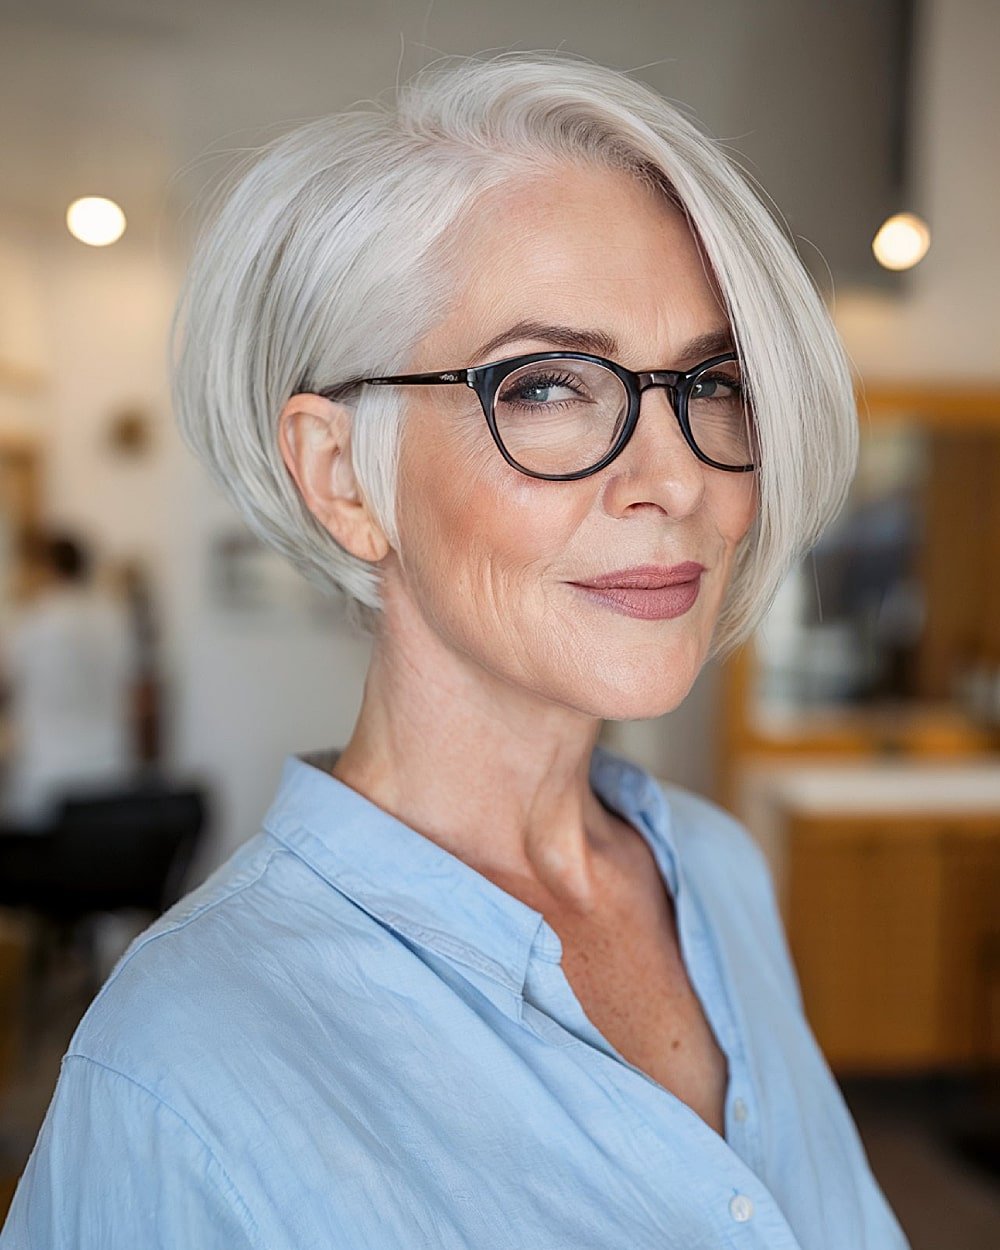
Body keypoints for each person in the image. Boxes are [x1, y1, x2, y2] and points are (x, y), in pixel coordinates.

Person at [0, 53, 910, 1249]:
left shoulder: (718, 871)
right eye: (546, 387)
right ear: (340, 475)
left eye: (712, 381)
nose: (677, 477)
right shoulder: (180, 1066)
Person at [0, 531, 137, 829]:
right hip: (109, 766)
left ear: (46, 568)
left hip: (49, 772)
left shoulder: (32, 621)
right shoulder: (112, 618)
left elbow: (7, 682)